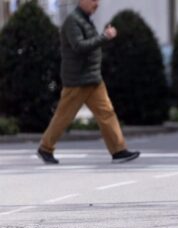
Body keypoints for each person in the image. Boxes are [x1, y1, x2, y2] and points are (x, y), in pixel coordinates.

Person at [37, 0, 140, 165]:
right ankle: (45, 148)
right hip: (77, 80)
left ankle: (119, 150)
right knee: (64, 116)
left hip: (92, 78)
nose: (97, 4)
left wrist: (102, 37)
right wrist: (104, 36)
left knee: (107, 113)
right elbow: (79, 46)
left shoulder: (84, 19)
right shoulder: (73, 21)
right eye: (93, 0)